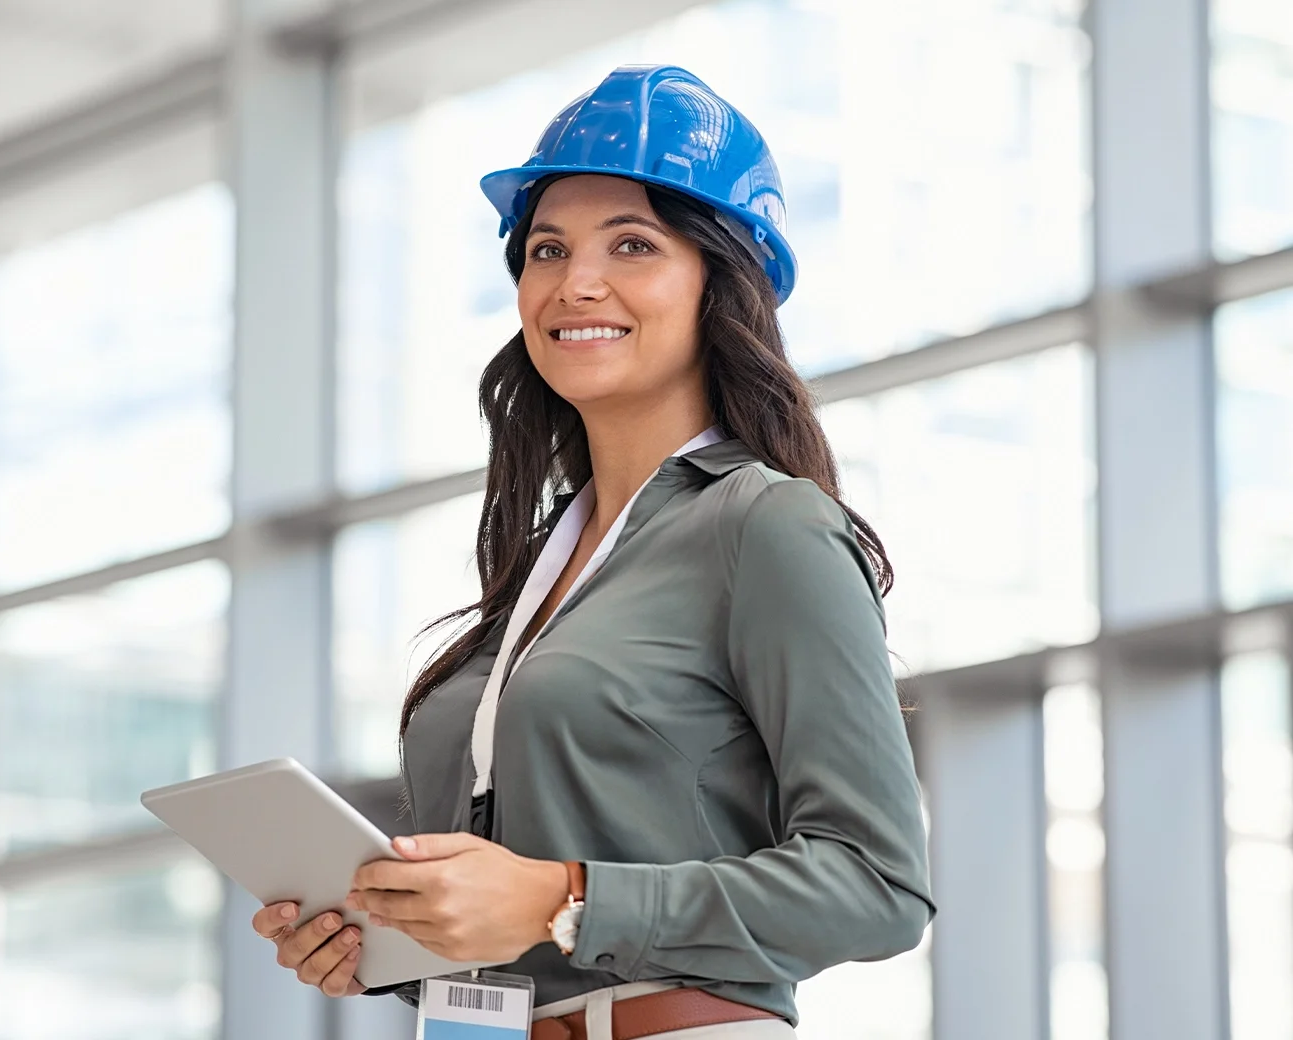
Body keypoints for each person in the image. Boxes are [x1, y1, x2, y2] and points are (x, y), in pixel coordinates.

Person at [252, 64, 935, 1038]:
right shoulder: (542, 563)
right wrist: (384, 941)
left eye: (633, 244)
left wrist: (561, 895)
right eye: (546, 248)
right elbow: (514, 921)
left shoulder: (765, 526)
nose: (576, 281)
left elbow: (879, 887)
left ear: (719, 281)